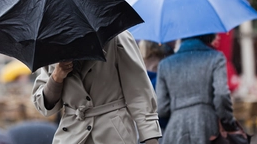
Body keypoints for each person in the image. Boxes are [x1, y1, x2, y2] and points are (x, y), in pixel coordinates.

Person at [32, 30, 162, 144]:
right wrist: (56, 77)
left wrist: (151, 138)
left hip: (113, 134)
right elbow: (44, 107)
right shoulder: (51, 47)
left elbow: (138, 92)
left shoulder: (116, 37)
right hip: (71, 135)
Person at [156, 34, 239, 143]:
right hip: (207, 126)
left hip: (175, 130)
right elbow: (221, 95)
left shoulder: (165, 64)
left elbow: (161, 108)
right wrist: (228, 121)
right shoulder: (215, 58)